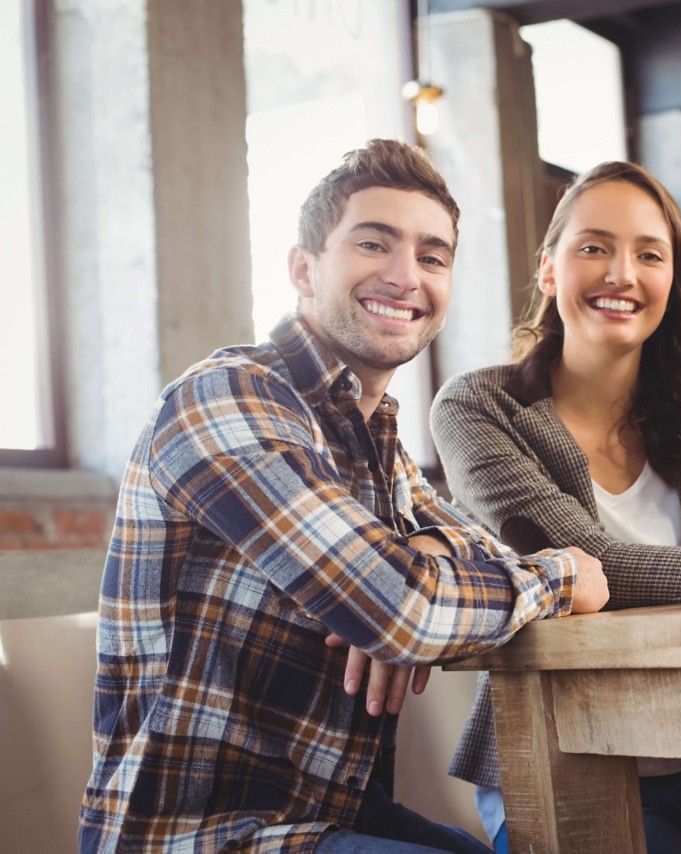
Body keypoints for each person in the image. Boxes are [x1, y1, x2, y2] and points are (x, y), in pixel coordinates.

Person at [78, 139, 609, 853]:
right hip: (197, 838)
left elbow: (467, 549)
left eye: (432, 256)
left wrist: (420, 550)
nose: (405, 276)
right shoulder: (228, 399)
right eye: (373, 244)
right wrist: (560, 574)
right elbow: (402, 609)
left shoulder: (374, 438)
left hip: (323, 818)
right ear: (304, 269)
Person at [432, 161, 681, 854]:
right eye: (594, 247)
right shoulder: (479, 408)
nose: (622, 273)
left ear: (672, 282)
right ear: (550, 271)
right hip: (560, 760)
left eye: (649, 254)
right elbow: (594, 571)